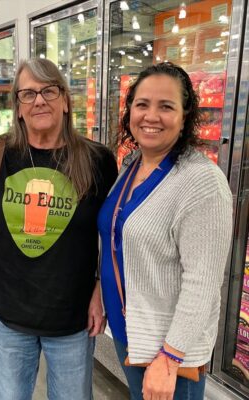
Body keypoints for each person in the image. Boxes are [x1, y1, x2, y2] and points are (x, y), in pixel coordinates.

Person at [0, 58, 117, 400]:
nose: (39, 100)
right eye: (28, 94)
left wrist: (101, 292)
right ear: (18, 107)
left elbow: (109, 234)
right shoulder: (1, 153)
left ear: (65, 101)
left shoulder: (96, 159)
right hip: (9, 316)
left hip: (73, 317)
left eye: (49, 90)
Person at [98, 61, 233, 400]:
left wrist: (171, 357)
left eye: (166, 106)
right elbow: (115, 238)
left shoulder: (200, 181)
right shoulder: (131, 165)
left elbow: (203, 283)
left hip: (168, 349)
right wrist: (99, 292)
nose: (151, 116)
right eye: (142, 104)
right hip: (130, 331)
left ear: (186, 116)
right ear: (129, 111)